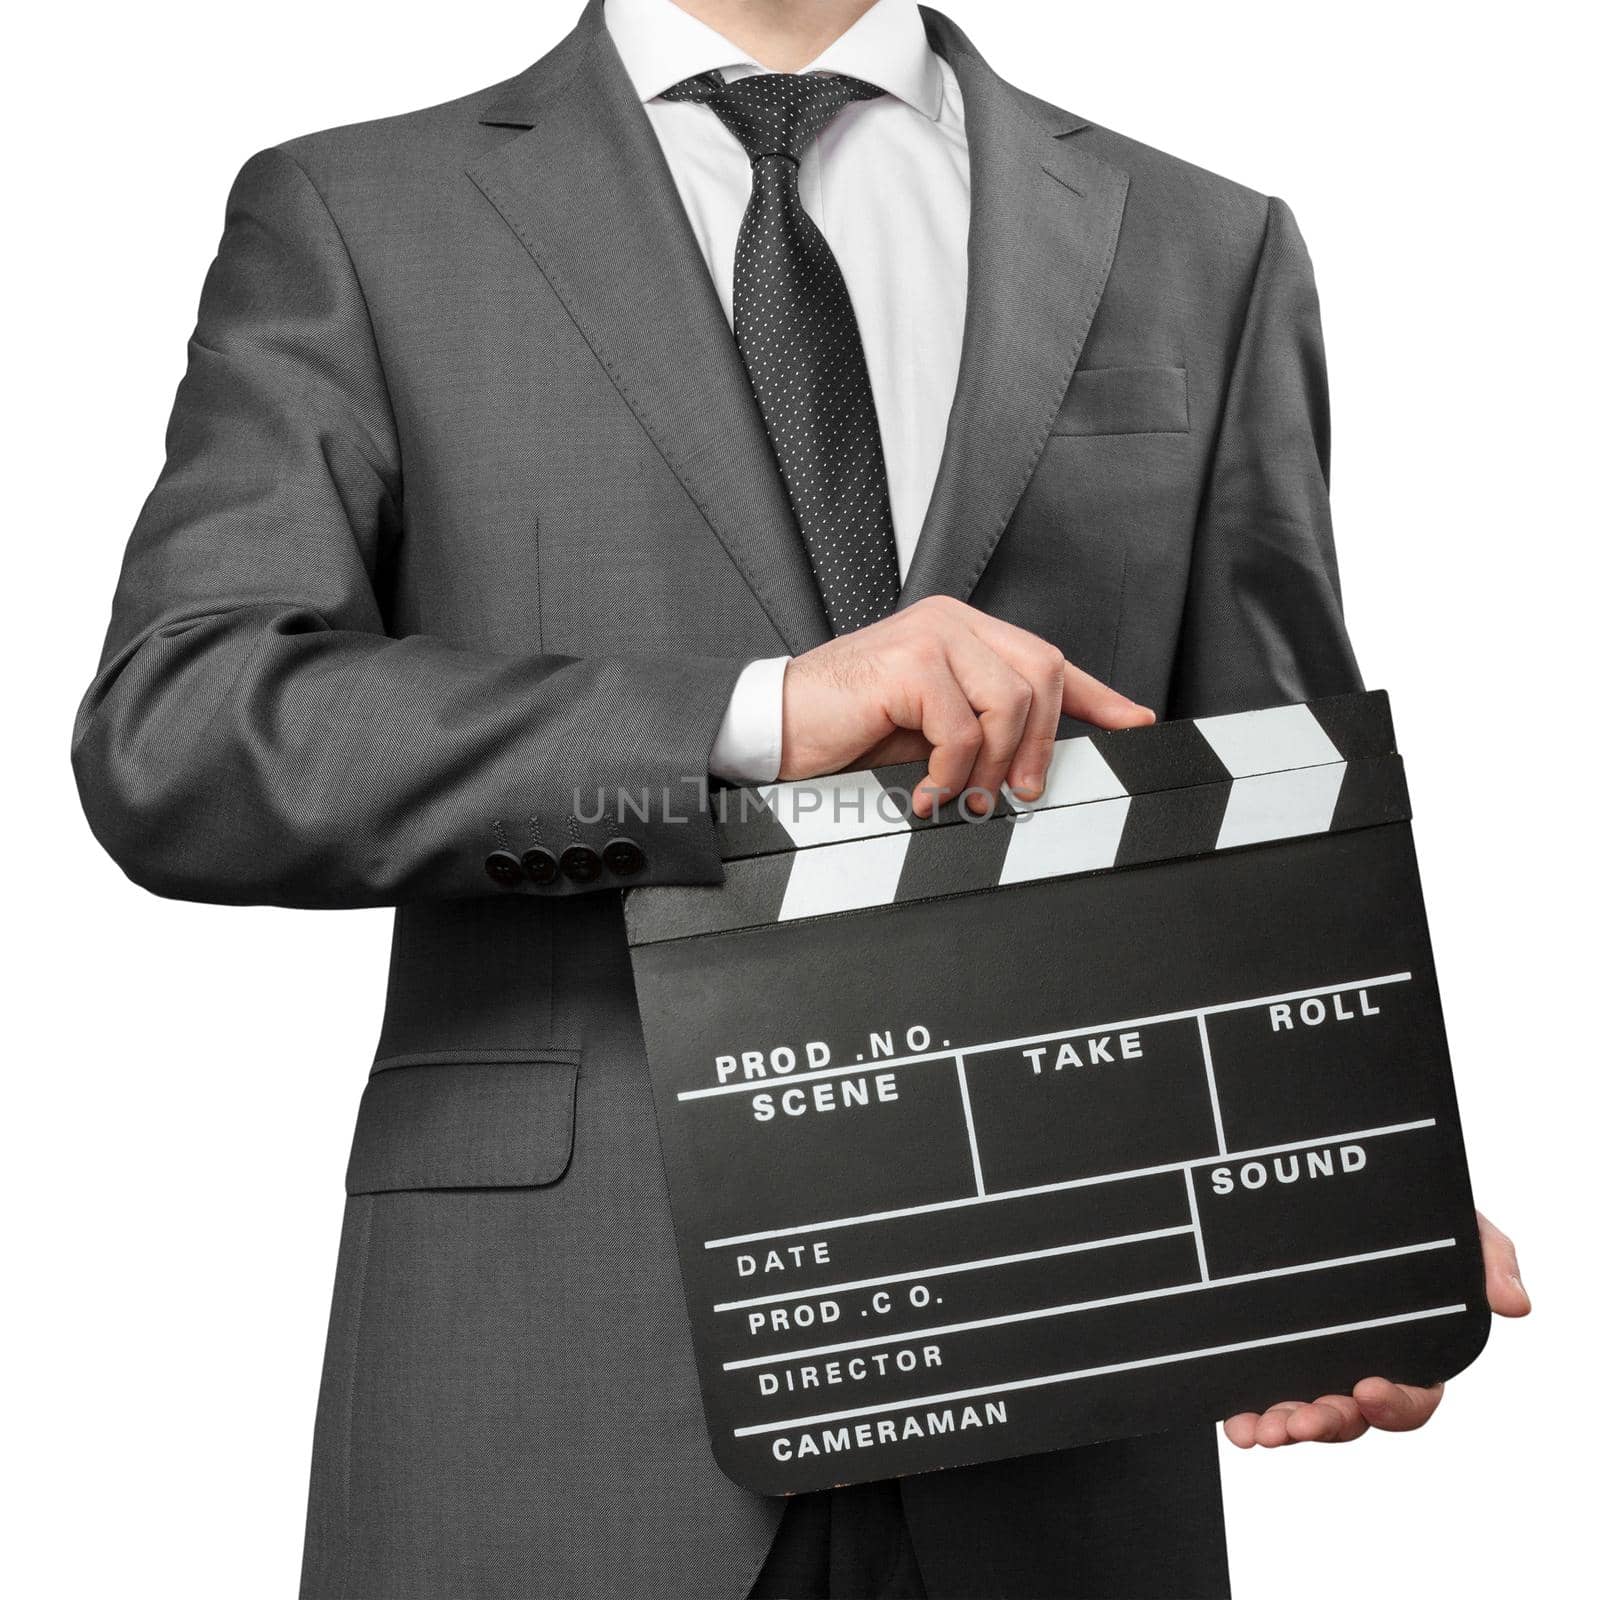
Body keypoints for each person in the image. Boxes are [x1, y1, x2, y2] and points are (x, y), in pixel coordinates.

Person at [73, 1, 1529, 1595]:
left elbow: (1281, 815)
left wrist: (1345, 1218)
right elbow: (184, 729)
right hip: (554, 1388)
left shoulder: (1205, 240)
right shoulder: (363, 214)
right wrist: (755, 717)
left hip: (1064, 1379)